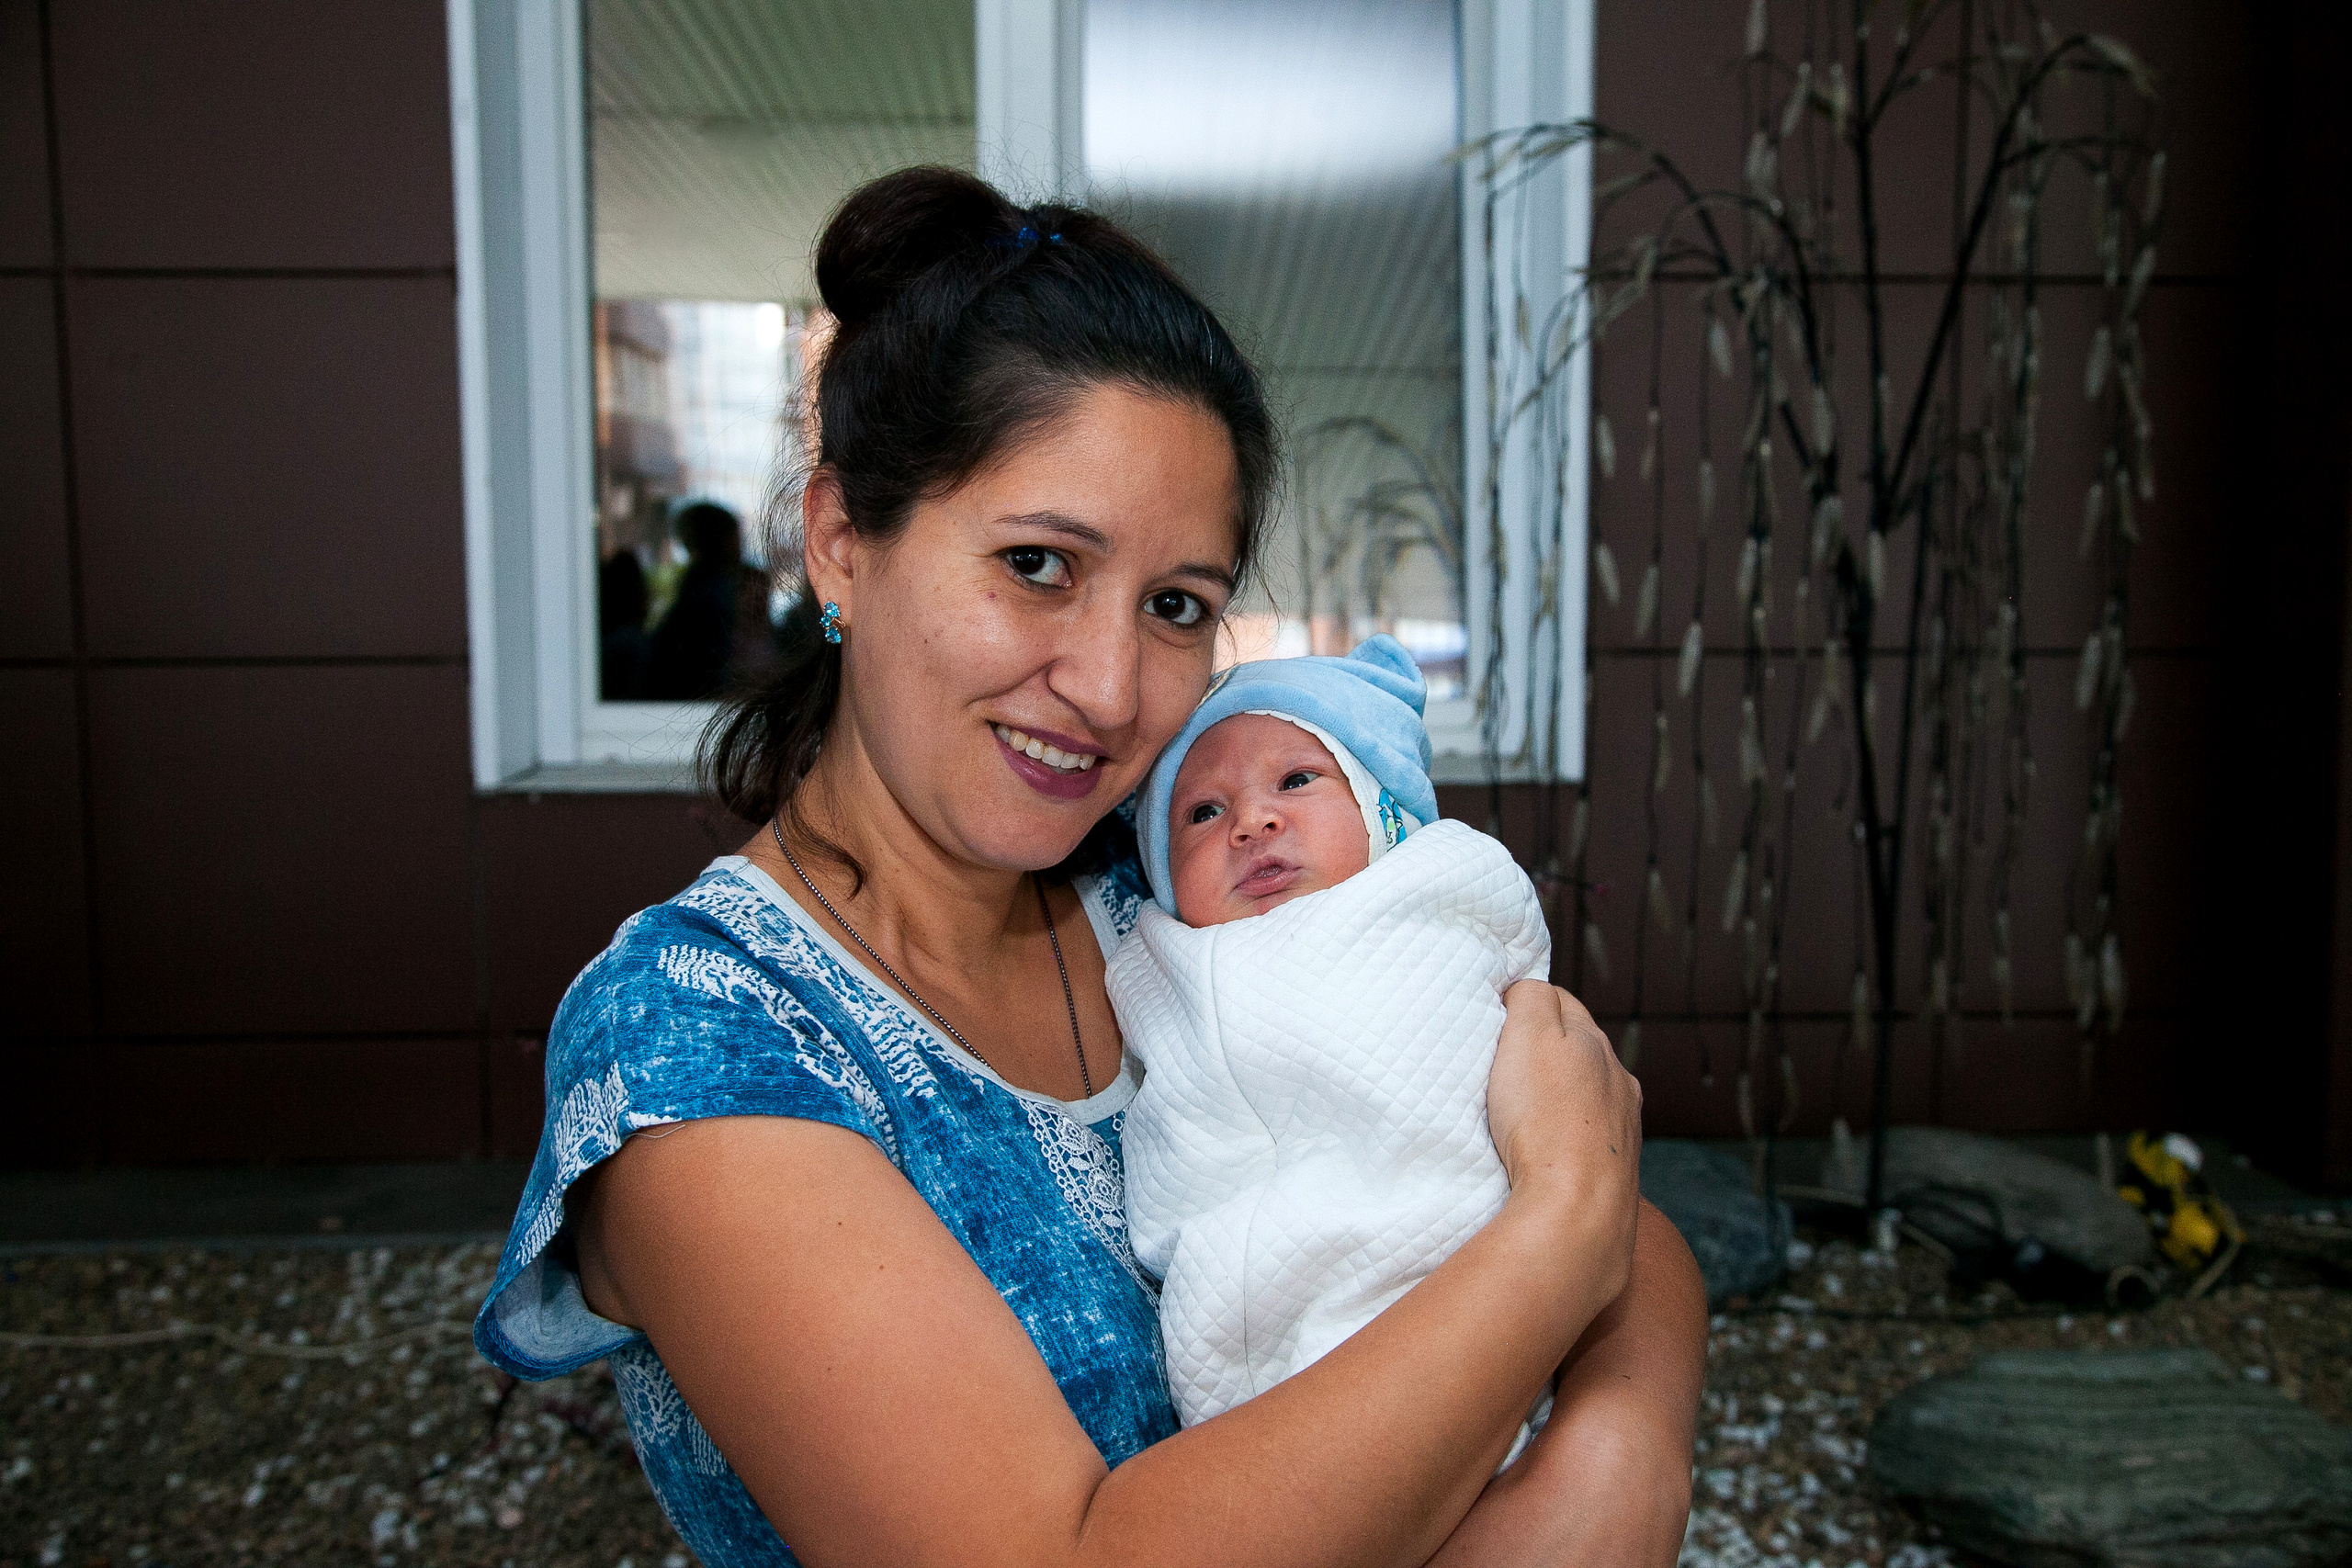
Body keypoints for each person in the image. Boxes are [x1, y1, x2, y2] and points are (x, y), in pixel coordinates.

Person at [474, 164, 1705, 1568]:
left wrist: (1621, 1446)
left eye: (1177, 604)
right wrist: (1559, 1262)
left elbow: (1603, 1180)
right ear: (840, 543)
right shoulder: (705, 1042)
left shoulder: (1174, 887)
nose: (1114, 688)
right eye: (1040, 565)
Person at [1112, 636, 1555, 1467]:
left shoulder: (1438, 881)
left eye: (1296, 780)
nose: (1252, 821)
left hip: (1481, 1252)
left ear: (1380, 805)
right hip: (1285, 1319)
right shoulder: (1172, 957)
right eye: (1202, 812)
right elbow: (1178, 1139)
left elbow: (1523, 970)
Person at [645, 500, 757, 698]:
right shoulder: (711, 599)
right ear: (723, 540)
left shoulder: (699, 594)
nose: (740, 544)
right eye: (735, 536)